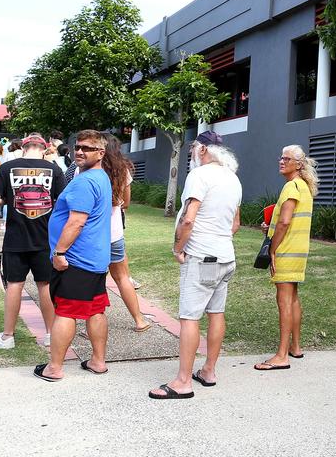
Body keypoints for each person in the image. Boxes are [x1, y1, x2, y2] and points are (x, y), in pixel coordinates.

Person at [149, 131, 243, 400]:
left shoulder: (199, 176)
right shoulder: (233, 178)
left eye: (193, 148)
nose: (191, 153)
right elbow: (235, 224)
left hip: (202, 257)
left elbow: (188, 219)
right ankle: (209, 371)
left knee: (190, 317)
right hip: (225, 256)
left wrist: (178, 248)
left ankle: (182, 381)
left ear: (202, 150)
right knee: (216, 312)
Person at [34, 130, 113, 382]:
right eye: (77, 147)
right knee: (95, 310)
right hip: (96, 259)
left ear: (100, 153)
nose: (79, 151)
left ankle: (54, 368)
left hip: (76, 260)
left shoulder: (86, 181)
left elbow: (76, 222)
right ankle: (97, 362)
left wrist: (59, 252)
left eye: (87, 148)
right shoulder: (99, 177)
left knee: (65, 312)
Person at [0, 133, 66, 350]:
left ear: (24, 147)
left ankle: (7, 336)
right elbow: (63, 201)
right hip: (45, 237)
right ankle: (50, 334)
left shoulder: (8, 167)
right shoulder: (54, 169)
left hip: (16, 237)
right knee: (45, 286)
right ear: (44, 148)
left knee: (14, 285)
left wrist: (8, 198)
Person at [256, 144, 318, 372]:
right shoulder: (304, 187)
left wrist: (272, 248)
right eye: (281, 157)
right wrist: (269, 228)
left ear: (298, 164)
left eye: (287, 158)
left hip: (286, 251)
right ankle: (296, 347)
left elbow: (284, 222)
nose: (281, 161)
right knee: (293, 298)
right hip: (298, 250)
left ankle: (281, 355)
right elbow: (283, 221)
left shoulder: (291, 187)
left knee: (283, 301)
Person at [102, 133, 151, 332]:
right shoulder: (123, 170)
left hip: (93, 236)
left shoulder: (87, 171)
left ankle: (95, 327)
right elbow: (127, 202)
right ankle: (140, 320)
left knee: (95, 281)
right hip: (115, 234)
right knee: (123, 278)